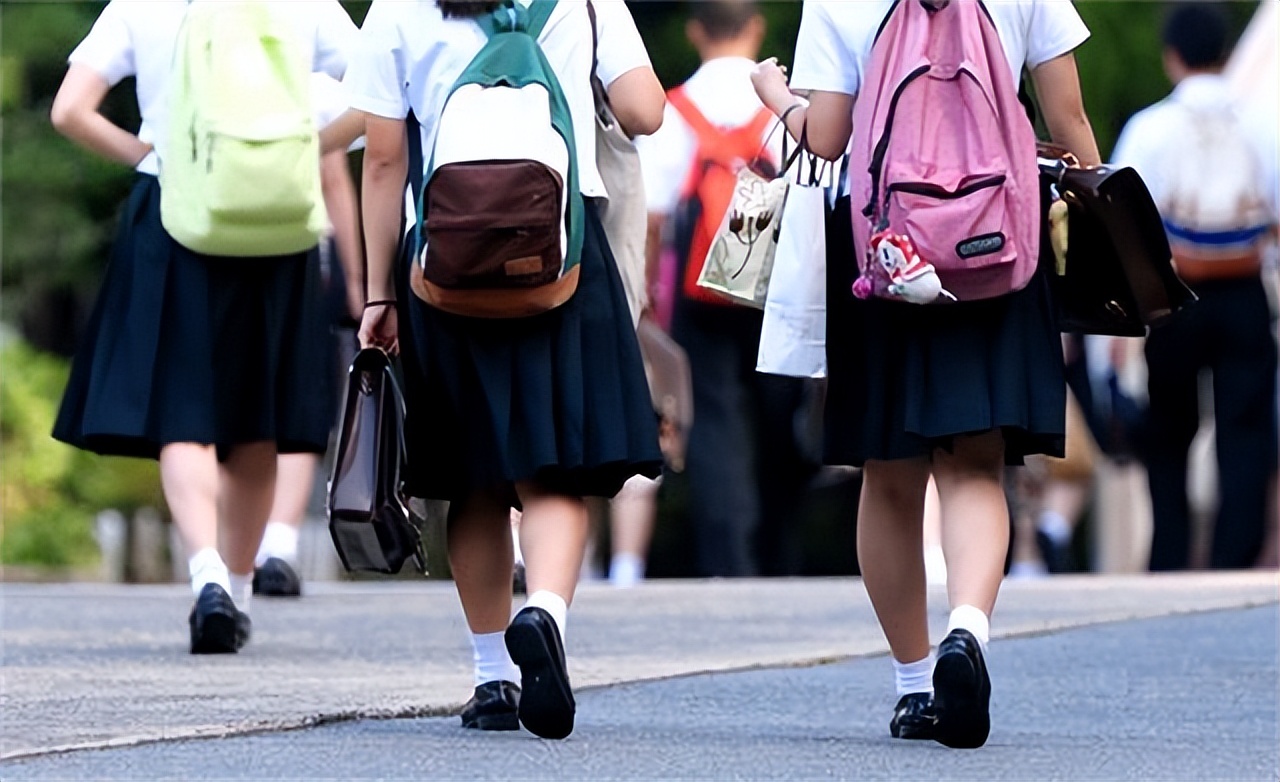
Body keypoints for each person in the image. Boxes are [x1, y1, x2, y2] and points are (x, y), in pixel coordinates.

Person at [752, 0, 1101, 748]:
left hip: (883, 250)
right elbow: (1066, 115)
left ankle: (914, 685)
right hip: (997, 240)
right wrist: (1100, 225)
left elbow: (828, 136)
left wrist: (776, 96)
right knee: (975, 467)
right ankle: (966, 631)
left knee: (889, 474)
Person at [345, 0, 664, 740]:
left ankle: (492, 678)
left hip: (443, 265)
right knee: (552, 474)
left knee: (474, 480)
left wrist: (378, 294)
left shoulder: (398, 8)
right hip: (562, 256)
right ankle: (544, 612)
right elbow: (643, 110)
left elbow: (384, 159)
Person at [49, 0, 356, 654]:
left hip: (175, 209)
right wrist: (298, 147)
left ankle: (207, 573)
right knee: (259, 415)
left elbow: (69, 109)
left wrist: (147, 154)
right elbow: (376, 97)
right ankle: (238, 592)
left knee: (183, 408)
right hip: (275, 214)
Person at [636, 0, 818, 578]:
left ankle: (730, 562)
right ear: (757, 27)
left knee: (713, 421)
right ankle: (780, 554)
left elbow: (653, 215)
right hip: (776, 285)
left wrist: (647, 294)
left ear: (695, 31)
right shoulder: (780, 107)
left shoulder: (674, 110)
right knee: (780, 415)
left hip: (700, 287)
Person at [1110, 3, 1279, 572]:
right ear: (1225, 53)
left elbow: (1123, 223)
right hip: (1244, 290)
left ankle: (1171, 555)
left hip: (1174, 294)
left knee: (1168, 431)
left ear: (1171, 57)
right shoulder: (1262, 123)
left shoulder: (1150, 128)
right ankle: (1235, 555)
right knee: (1245, 429)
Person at [255, 75, 368, 598]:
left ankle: (225, 550)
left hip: (218, 246)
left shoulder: (205, 57)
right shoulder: (308, 76)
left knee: (239, 397)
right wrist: (359, 280)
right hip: (304, 246)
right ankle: (278, 543)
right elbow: (333, 179)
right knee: (301, 395)